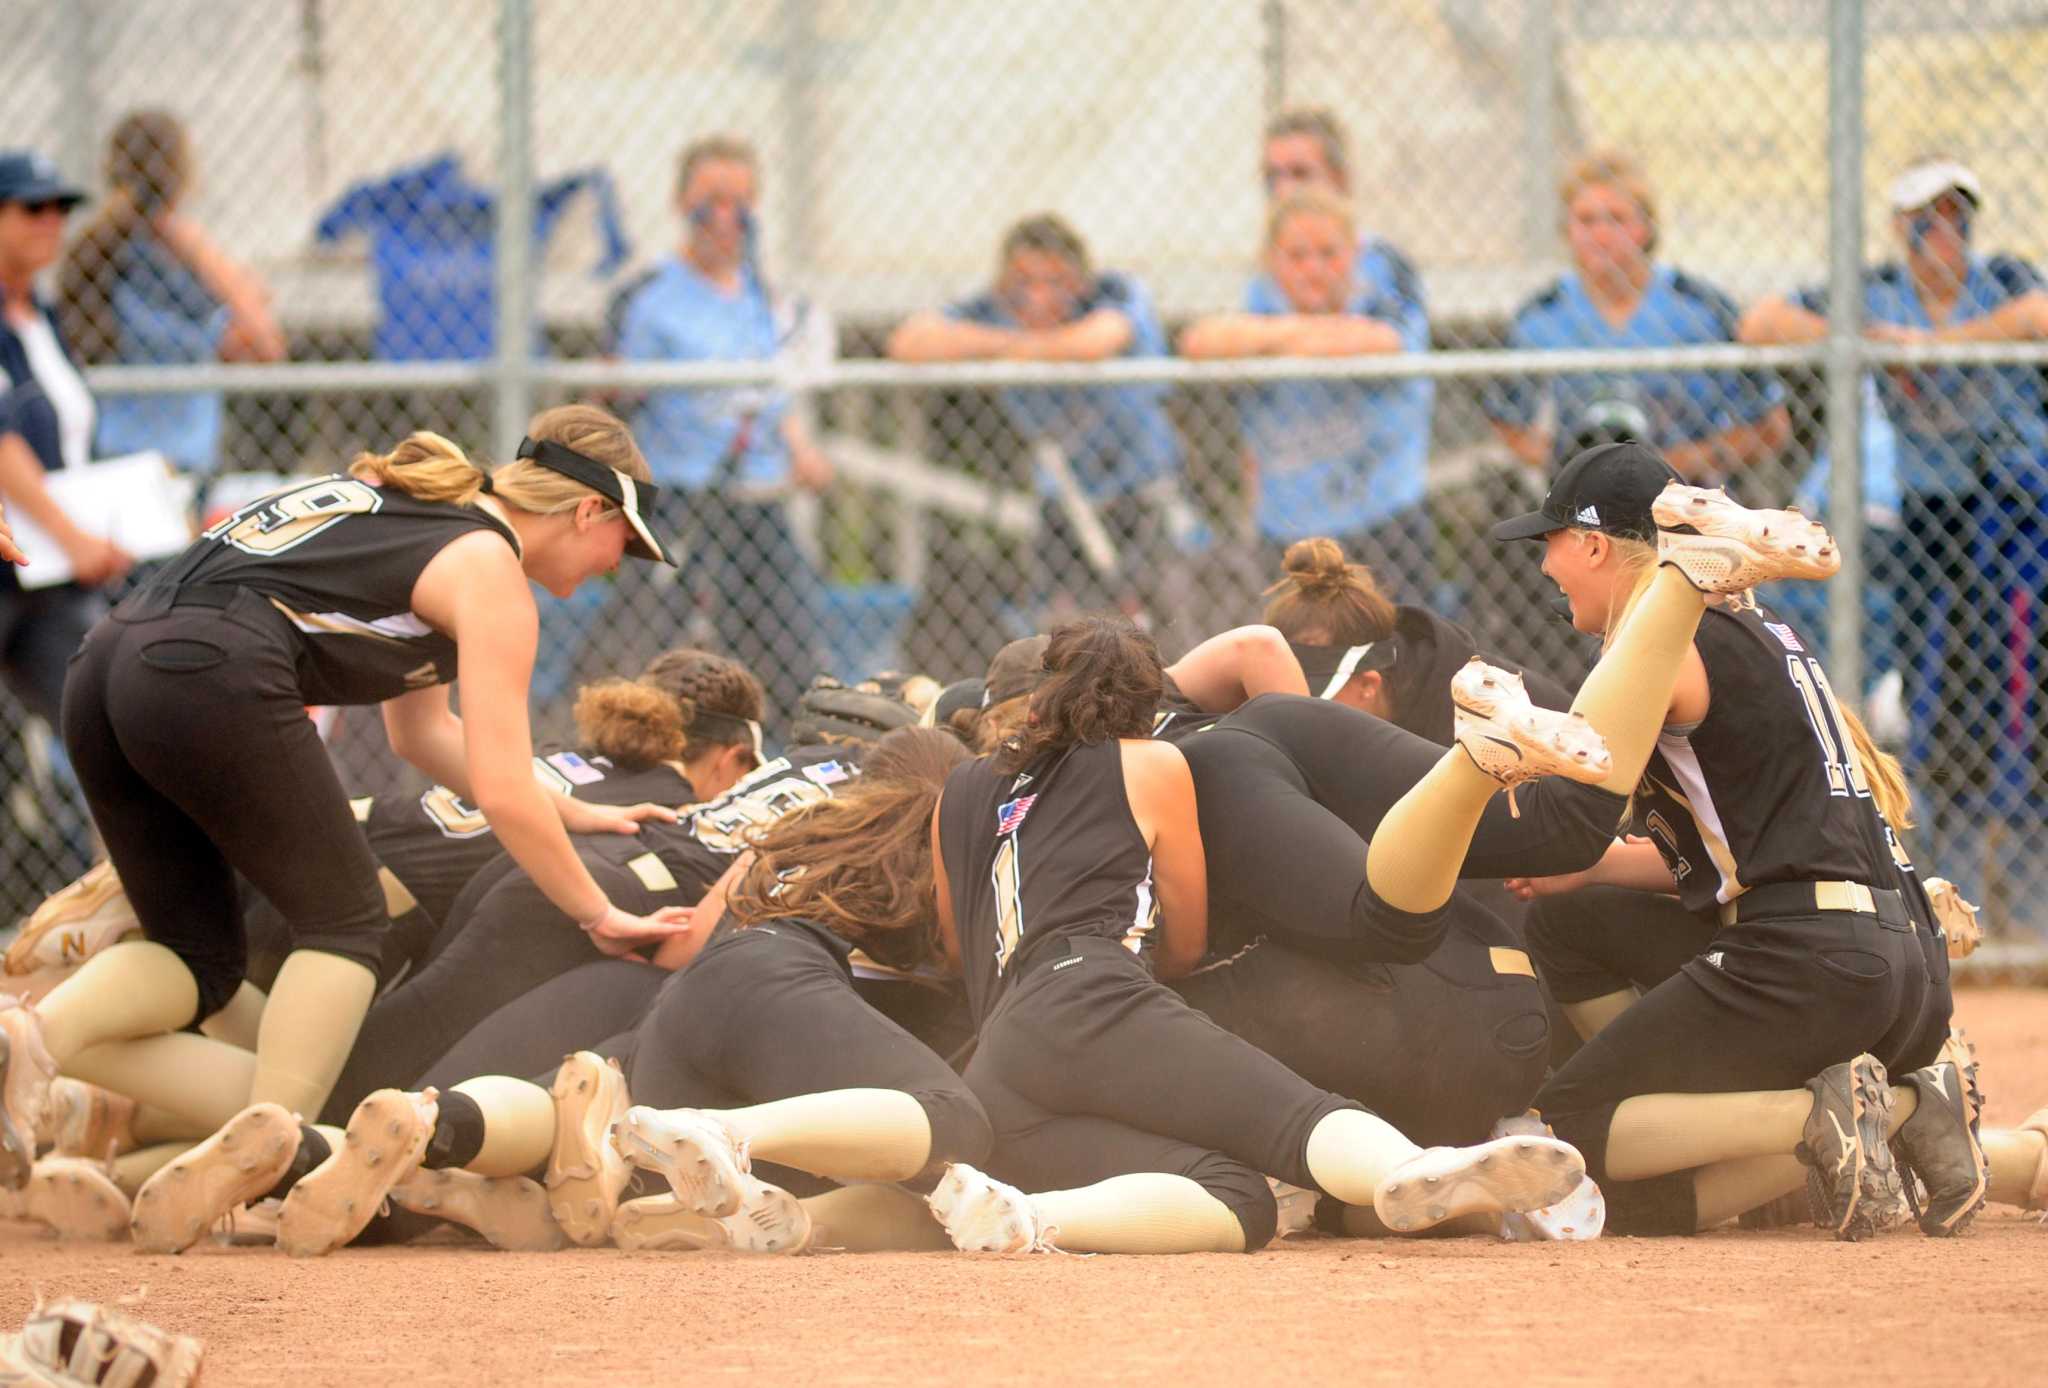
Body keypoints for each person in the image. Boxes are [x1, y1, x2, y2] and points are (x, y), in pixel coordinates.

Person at [0, 404, 694, 1247]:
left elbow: (426, 735)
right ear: (589, 509)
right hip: (205, 674)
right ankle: (280, 1150)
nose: (619, 562)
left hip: (105, 666)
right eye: (624, 538)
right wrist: (598, 910)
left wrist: (573, 806)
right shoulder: (492, 575)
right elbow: (504, 792)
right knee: (345, 920)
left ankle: (29, 1037)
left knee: (201, 961)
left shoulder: (427, 516)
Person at [923, 615, 1593, 1255]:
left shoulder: (959, 789)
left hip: (999, 1054)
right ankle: (1410, 1167)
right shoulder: (1152, 763)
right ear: (1143, 709)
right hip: (1094, 991)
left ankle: (1034, 1217)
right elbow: (1184, 940)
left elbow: (958, 948)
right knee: (1294, 1120)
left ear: (1040, 701)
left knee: (1239, 1196)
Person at [1485, 441, 1982, 1241]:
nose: (1545, 567)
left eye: (1551, 545)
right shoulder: (1759, 632)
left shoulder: (1661, 642)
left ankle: (1869, 1114)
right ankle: (1894, 1109)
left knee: (1572, 1121)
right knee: (1569, 927)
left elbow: (1569, 809)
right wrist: (1593, 872)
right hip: (1898, 963)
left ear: (1593, 545)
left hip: (1810, 959)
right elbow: (1740, 839)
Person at [1740, 155, 2048, 813]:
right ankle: (1942, 804)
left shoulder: (2002, 278)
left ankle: (2021, 813)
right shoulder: (1875, 288)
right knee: (1936, 661)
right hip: (1932, 504)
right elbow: (1762, 322)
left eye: (1955, 217)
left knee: (2018, 658)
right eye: (1925, 219)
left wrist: (1942, 343)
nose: (1943, 232)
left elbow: (2038, 314)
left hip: (2015, 498)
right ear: (1899, 227)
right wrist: (1869, 339)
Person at [616, 133, 833, 726]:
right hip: (688, 498)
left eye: (741, 201)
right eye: (712, 199)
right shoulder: (653, 299)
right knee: (675, 654)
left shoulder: (760, 295)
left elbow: (772, 391)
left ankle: (790, 756)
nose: (727, 217)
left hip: (757, 493)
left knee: (791, 643)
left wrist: (800, 448)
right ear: (682, 203)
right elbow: (626, 401)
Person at [886, 214, 1193, 632]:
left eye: (1054, 283)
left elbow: (1093, 343)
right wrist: (1020, 344)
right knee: (1065, 632)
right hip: (1064, 495)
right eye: (1023, 283)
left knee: (1160, 624)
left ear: (1079, 282)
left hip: (1140, 490)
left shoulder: (1113, 292)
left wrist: (1006, 350)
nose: (1037, 298)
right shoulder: (993, 310)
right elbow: (908, 342)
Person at [1181, 168, 1433, 603]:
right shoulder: (1260, 301)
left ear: (1354, 254)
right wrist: (1301, 333)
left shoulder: (1381, 302)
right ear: (1271, 262)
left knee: (1397, 662)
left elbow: (1376, 343)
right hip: (1290, 531)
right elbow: (1198, 342)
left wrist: (1269, 340)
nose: (1313, 269)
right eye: (1296, 256)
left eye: (1328, 253)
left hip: (1382, 524)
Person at [1484, 150, 1789, 483]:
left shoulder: (1698, 309)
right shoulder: (1543, 316)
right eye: (1586, 220)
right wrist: (1579, 467)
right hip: (1586, 506)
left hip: (1686, 498)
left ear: (1645, 227)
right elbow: (1506, 422)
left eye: (1617, 219)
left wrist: (1671, 464)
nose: (1600, 236)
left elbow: (1769, 426)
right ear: (1566, 230)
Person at [57, 110, 285, 481]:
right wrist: (197, 246)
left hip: (109, 456)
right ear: (184, 176)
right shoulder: (167, 269)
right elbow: (265, 343)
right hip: (174, 464)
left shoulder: (99, 253)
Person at [0, 150, 129, 727]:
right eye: (33, 208)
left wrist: (102, 533)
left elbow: (73, 445)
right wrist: (75, 538)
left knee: (106, 729)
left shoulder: (41, 316)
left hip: (49, 574)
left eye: (61, 208)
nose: (52, 221)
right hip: (22, 555)